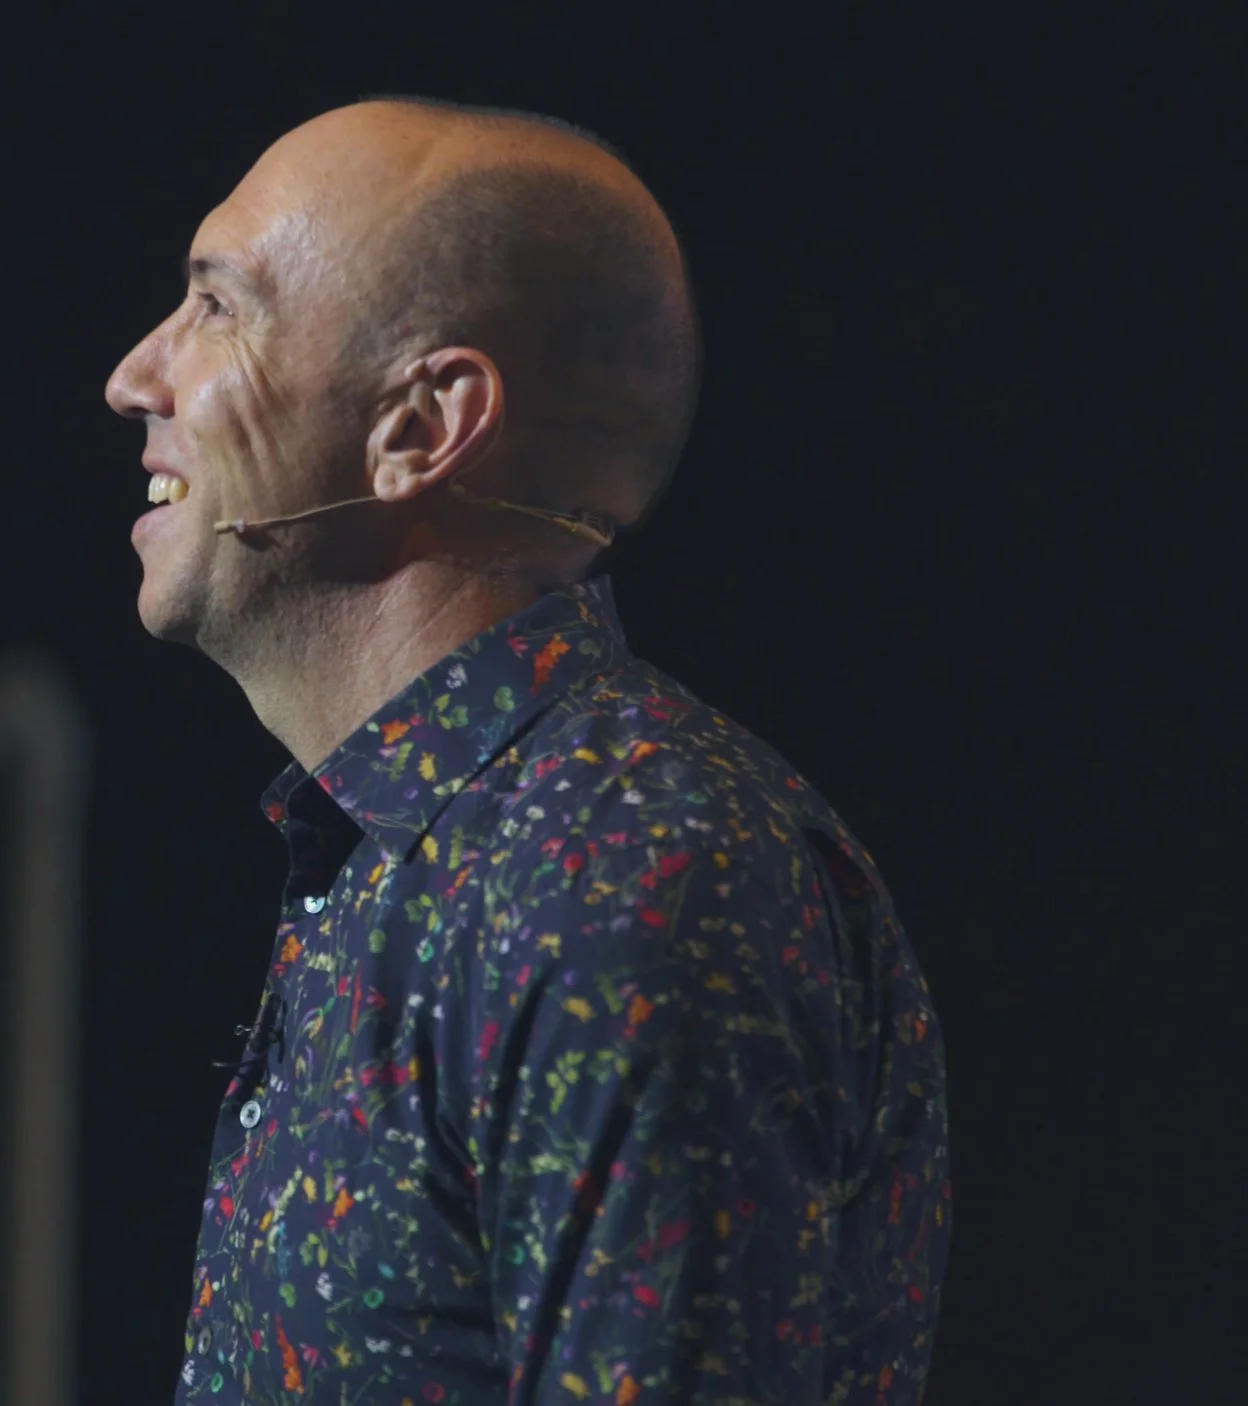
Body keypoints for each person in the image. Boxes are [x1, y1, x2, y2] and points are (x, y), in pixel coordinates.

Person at [104, 98, 950, 1405]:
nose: (135, 376)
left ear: (422, 428)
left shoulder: (625, 877)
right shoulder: (414, 857)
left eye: (217, 308)